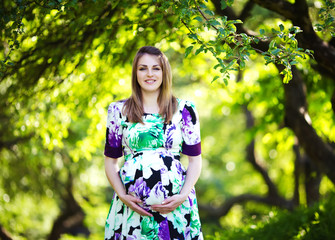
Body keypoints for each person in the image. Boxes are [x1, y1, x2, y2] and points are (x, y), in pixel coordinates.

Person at [104, 46, 203, 239]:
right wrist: (123, 196)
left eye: (156, 68)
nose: (149, 74)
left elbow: (195, 161)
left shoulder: (185, 109)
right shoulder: (118, 110)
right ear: (135, 73)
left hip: (176, 210)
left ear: (164, 72)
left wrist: (182, 196)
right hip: (131, 212)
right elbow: (110, 162)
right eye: (143, 68)